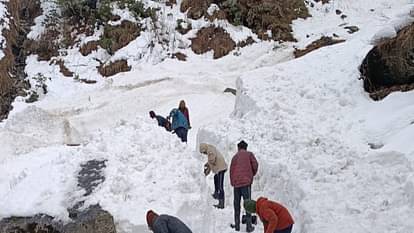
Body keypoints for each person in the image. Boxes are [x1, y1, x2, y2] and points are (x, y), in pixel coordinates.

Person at [230, 140, 258, 232]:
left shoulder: (235, 157)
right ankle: (249, 227)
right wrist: (251, 174)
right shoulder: (249, 154)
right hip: (246, 184)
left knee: (236, 205)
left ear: (238, 148)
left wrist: (233, 182)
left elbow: (231, 170)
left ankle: (237, 226)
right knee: (248, 205)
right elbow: (255, 165)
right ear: (246, 147)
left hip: (236, 184)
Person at [200, 143, 228, 209]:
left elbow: (212, 159)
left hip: (221, 168)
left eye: (203, 152)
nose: (204, 154)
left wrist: (207, 167)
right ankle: (216, 194)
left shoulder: (210, 149)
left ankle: (221, 203)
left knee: (220, 186)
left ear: (204, 149)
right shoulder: (210, 149)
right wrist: (207, 166)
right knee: (216, 178)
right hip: (219, 168)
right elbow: (211, 161)